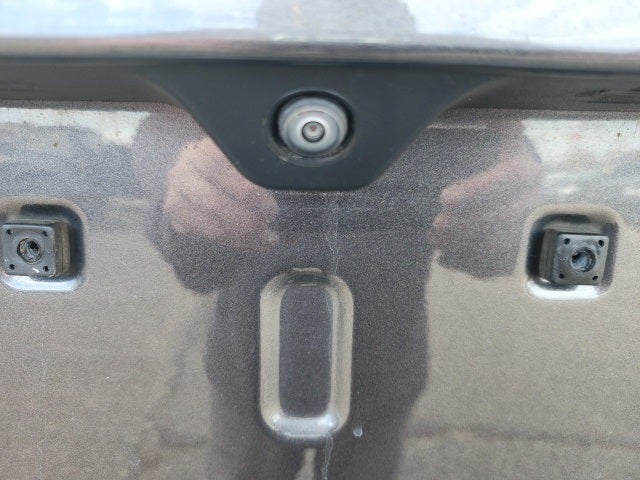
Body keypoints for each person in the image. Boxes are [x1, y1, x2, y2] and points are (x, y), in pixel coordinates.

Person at [136, 108, 541, 479]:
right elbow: (163, 120)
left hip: (381, 367)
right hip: (249, 365)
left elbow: (498, 133)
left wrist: (506, 201)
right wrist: (182, 179)